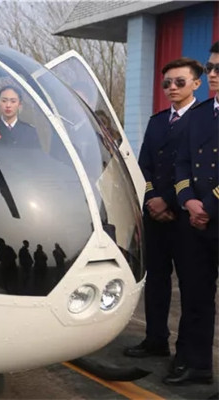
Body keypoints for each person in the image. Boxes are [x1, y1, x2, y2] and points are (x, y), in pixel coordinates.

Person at [124, 57, 203, 360]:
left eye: (180, 82)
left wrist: (167, 200)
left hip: (185, 215)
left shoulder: (205, 120)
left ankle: (187, 353)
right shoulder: (157, 121)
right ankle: (155, 340)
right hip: (155, 216)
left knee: (191, 286)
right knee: (156, 280)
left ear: (196, 83)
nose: (172, 87)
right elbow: (144, 165)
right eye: (166, 83)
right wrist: (152, 199)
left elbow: (197, 171)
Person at [166, 42, 219, 386]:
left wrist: (208, 205)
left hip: (213, 212)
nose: (212, 74)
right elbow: (182, 162)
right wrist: (188, 200)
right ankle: (199, 365)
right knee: (197, 297)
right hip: (197, 221)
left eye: (218, 69)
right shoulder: (200, 115)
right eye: (210, 67)